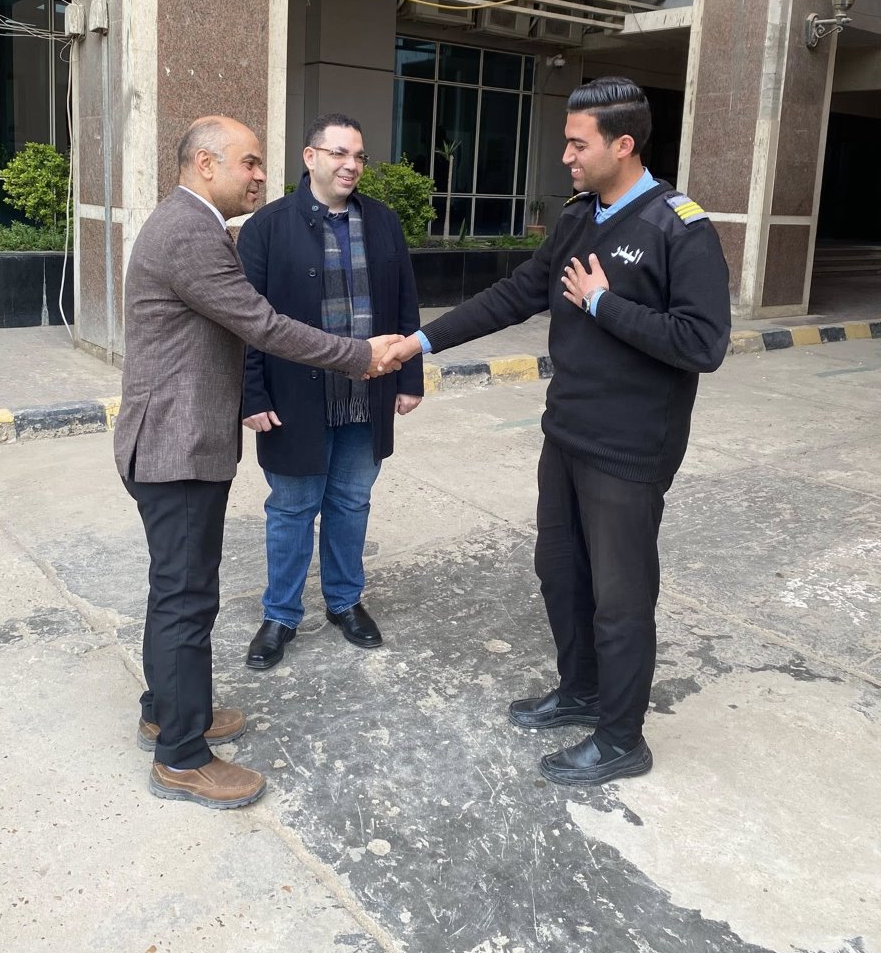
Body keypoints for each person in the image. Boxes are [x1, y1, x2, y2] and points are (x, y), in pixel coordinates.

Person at [378, 77, 731, 785]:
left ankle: (622, 738)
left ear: (623, 145)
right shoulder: (578, 218)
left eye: (578, 144)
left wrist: (603, 304)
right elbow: (515, 294)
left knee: (621, 597)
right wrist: (420, 341)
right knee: (561, 573)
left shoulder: (678, 229)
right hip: (566, 432)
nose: (565, 156)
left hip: (630, 448)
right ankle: (582, 691)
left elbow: (703, 343)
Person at [114, 115, 403, 810]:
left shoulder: (191, 224)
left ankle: (166, 709)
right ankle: (182, 757)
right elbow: (262, 325)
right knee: (187, 599)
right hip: (176, 448)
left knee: (175, 589)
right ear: (205, 164)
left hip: (175, 442)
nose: (260, 175)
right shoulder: (191, 233)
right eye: (248, 162)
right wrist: (360, 355)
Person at [240, 113, 423, 670]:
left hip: (369, 393)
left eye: (359, 155)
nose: (351, 165)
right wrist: (251, 395)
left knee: (351, 501)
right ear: (310, 157)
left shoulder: (383, 222)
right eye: (339, 153)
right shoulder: (268, 226)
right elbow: (247, 320)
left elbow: (406, 301)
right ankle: (280, 615)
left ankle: (345, 602)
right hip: (295, 396)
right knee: (292, 508)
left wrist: (409, 376)